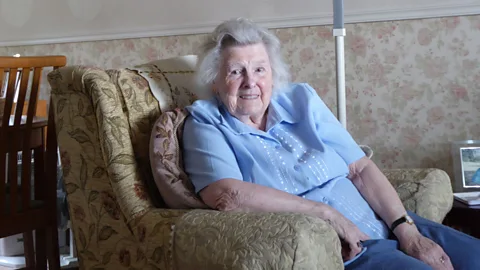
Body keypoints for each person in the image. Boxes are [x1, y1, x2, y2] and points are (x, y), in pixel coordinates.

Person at [181, 17, 480, 270]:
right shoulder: (205, 123)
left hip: (389, 224)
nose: (250, 82)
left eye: (260, 69)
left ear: (273, 74)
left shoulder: (301, 99)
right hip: (351, 249)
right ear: (214, 81)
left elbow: (360, 168)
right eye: (236, 72)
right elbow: (227, 194)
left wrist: (406, 229)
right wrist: (325, 214)